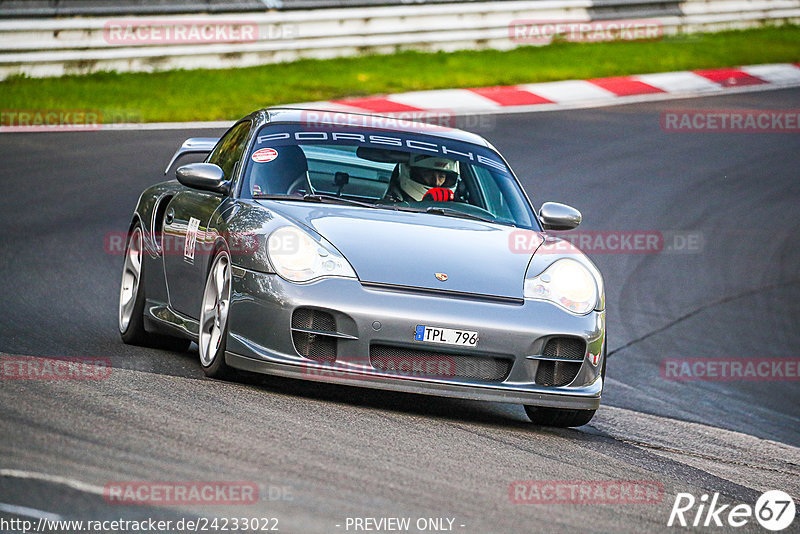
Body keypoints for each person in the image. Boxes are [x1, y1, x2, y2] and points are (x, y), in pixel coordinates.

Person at [386, 155, 459, 201]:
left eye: (441, 177)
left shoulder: (454, 208)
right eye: (428, 174)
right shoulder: (390, 206)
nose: (436, 182)